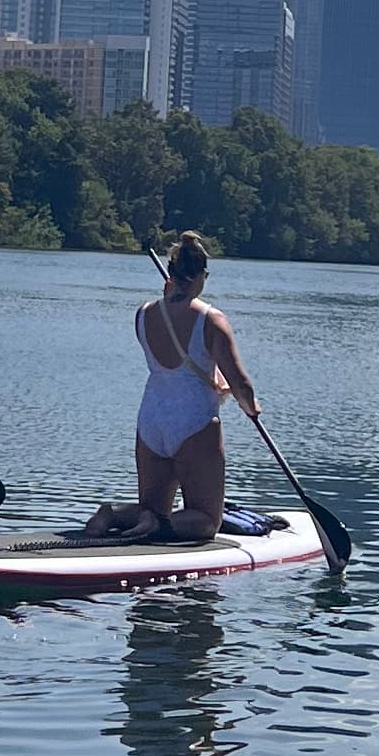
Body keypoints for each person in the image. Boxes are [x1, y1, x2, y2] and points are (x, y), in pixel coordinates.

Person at [112, 230, 262, 542]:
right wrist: (251, 407)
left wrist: (217, 384)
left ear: (170, 273)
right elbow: (240, 384)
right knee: (207, 520)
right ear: (202, 275)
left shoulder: (143, 314)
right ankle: (154, 526)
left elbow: (174, 366)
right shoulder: (211, 319)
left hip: (151, 420)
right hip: (193, 423)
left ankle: (112, 515)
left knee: (151, 510)